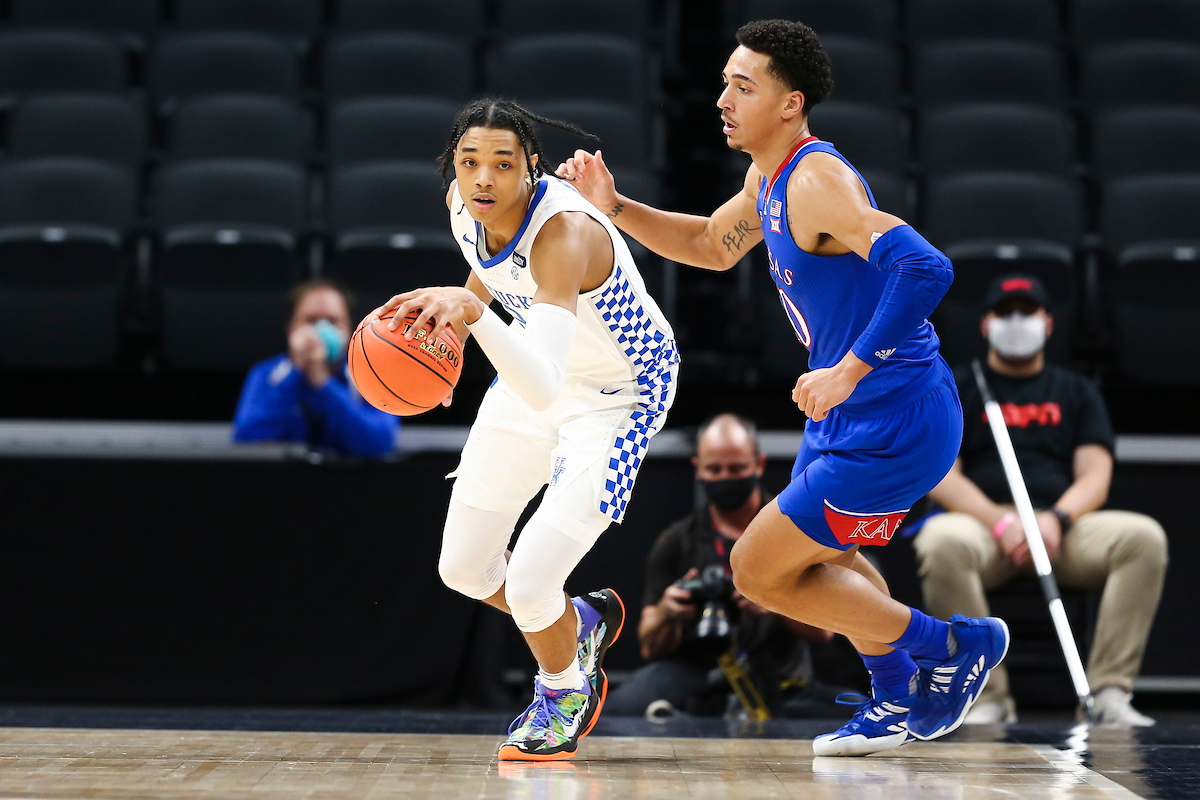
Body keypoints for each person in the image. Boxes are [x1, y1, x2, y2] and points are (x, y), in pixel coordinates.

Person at [558, 18, 1008, 756]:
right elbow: (711, 245)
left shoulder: (815, 181)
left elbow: (926, 268)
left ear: (791, 103)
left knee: (756, 571)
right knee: (824, 564)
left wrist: (847, 369)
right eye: (725, 83)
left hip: (895, 413)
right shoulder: (766, 178)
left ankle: (955, 645)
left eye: (744, 86)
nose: (723, 100)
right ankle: (896, 696)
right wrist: (614, 207)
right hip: (854, 416)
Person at [371, 98, 679, 761]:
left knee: (532, 584)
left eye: (502, 164)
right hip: (538, 365)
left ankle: (563, 692)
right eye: (469, 162)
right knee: (464, 568)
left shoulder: (564, 233)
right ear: (453, 166)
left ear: (531, 167)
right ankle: (578, 625)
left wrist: (473, 316)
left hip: (619, 395)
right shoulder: (464, 206)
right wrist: (461, 321)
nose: (483, 179)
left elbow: (542, 383)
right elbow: (488, 272)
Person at [917, 274, 1168, 726]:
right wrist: (1001, 523)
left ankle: (1109, 693)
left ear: (1048, 323)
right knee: (939, 541)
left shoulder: (1076, 391)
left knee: (1143, 538)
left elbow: (1096, 476)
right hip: (986, 528)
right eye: (1005, 312)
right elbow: (940, 475)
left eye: (1027, 312)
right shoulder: (957, 388)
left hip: (1061, 529)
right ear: (985, 324)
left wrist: (1057, 519)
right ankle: (985, 696)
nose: (1017, 321)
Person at [606, 413, 858, 719]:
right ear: (698, 468)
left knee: (847, 710)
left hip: (779, 675)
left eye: (736, 468)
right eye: (714, 469)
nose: (725, 477)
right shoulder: (677, 540)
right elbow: (649, 647)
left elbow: (825, 632)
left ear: (759, 464)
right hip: (696, 672)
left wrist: (774, 600)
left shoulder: (794, 531)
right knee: (618, 709)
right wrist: (668, 612)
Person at [232, 279, 398, 457]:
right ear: (290, 328)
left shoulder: (371, 374)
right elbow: (248, 439)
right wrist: (295, 373)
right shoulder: (266, 374)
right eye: (311, 321)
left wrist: (323, 383)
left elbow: (381, 441)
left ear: (350, 328)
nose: (322, 329)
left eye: (333, 321)